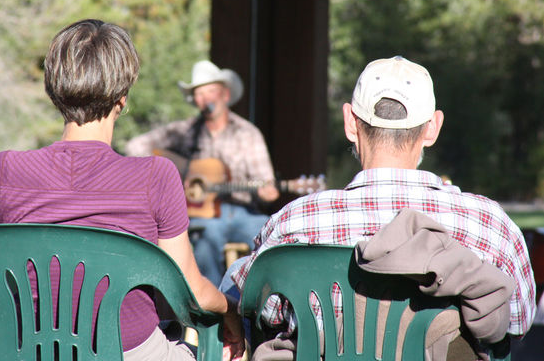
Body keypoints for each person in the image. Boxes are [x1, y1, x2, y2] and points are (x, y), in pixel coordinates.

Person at [0, 19, 244, 361]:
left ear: (54, 91)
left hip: (26, 353)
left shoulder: (3, 169)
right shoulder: (155, 176)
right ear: (122, 98)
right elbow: (192, 293)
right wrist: (230, 309)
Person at [229, 56, 536, 358]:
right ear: (432, 128)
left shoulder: (293, 222)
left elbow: (253, 308)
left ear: (351, 122)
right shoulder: (491, 223)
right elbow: (518, 322)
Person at [126, 60, 279, 285]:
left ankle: (260, 308)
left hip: (242, 212)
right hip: (201, 216)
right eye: (199, 94)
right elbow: (135, 146)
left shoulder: (247, 133)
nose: (205, 99)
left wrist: (267, 192)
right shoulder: (185, 131)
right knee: (206, 238)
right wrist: (175, 171)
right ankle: (210, 311)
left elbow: (266, 184)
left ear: (225, 95)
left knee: (272, 235)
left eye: (211, 91)